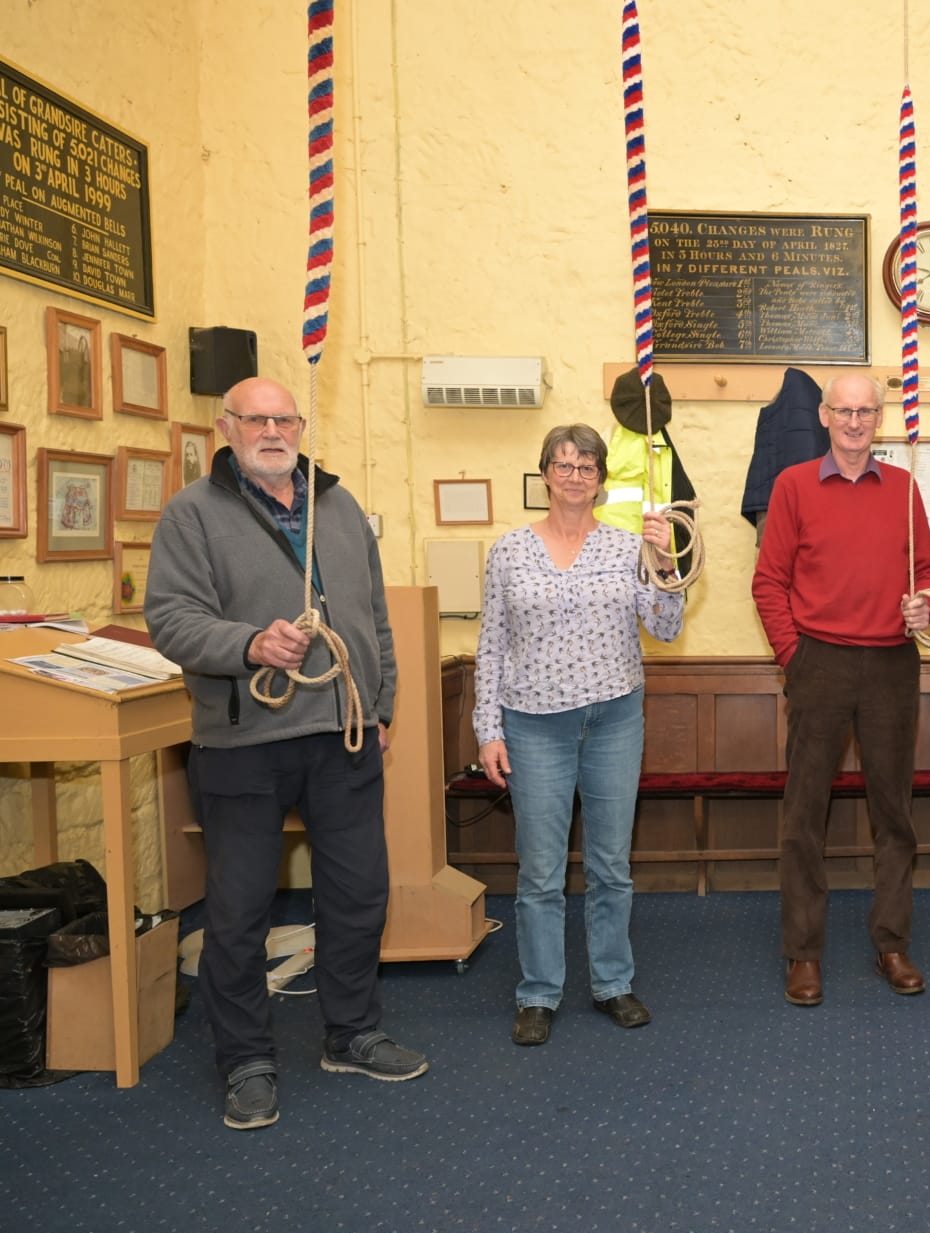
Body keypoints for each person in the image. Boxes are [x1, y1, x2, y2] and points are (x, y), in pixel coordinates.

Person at [146, 376, 421, 1130]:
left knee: (359, 894)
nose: (272, 429)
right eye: (255, 418)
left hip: (344, 736)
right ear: (225, 428)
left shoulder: (337, 505)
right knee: (237, 911)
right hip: (244, 742)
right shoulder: (192, 515)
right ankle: (245, 1061)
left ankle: (352, 1032)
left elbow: (373, 617)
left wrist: (382, 702)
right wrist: (248, 644)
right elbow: (169, 619)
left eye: (284, 418)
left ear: (301, 426)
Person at [474, 424, 683, 1047]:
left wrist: (666, 561)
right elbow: (491, 645)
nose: (574, 476)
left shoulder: (627, 548)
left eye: (586, 466)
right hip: (534, 724)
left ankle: (612, 984)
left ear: (600, 479)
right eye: (562, 465)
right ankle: (539, 992)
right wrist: (488, 728)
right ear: (544, 475)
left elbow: (667, 628)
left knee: (611, 866)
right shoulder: (509, 552)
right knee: (540, 871)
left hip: (615, 719)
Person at [751, 373, 930, 1006]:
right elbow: (768, 582)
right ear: (826, 416)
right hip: (820, 665)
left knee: (894, 815)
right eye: (845, 410)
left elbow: (929, 574)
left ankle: (892, 943)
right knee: (804, 816)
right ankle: (802, 954)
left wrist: (927, 605)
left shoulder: (905, 488)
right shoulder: (794, 485)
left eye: (867, 411)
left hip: (891, 665)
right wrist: (794, 657)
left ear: (880, 419)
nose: (856, 421)